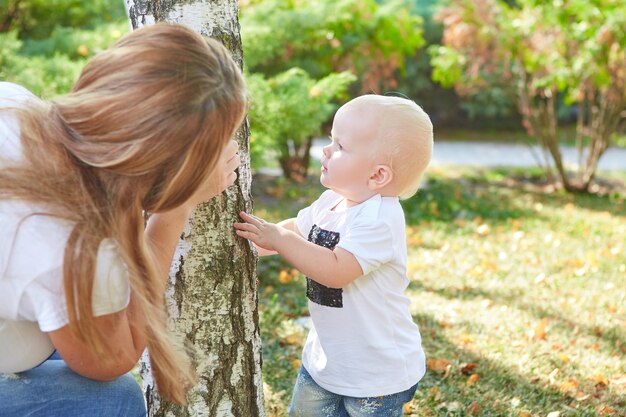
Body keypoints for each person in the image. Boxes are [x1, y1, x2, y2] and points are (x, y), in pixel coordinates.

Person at [0, 23, 247, 416]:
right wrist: (175, 208)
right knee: (115, 399)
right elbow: (113, 360)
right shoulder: (76, 249)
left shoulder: (11, 102)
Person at [234, 94, 433, 416]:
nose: (327, 150)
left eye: (340, 146)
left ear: (377, 175)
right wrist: (256, 240)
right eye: (331, 140)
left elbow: (336, 269)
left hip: (377, 374)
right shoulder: (331, 201)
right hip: (327, 361)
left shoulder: (381, 219)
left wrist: (279, 238)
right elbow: (297, 228)